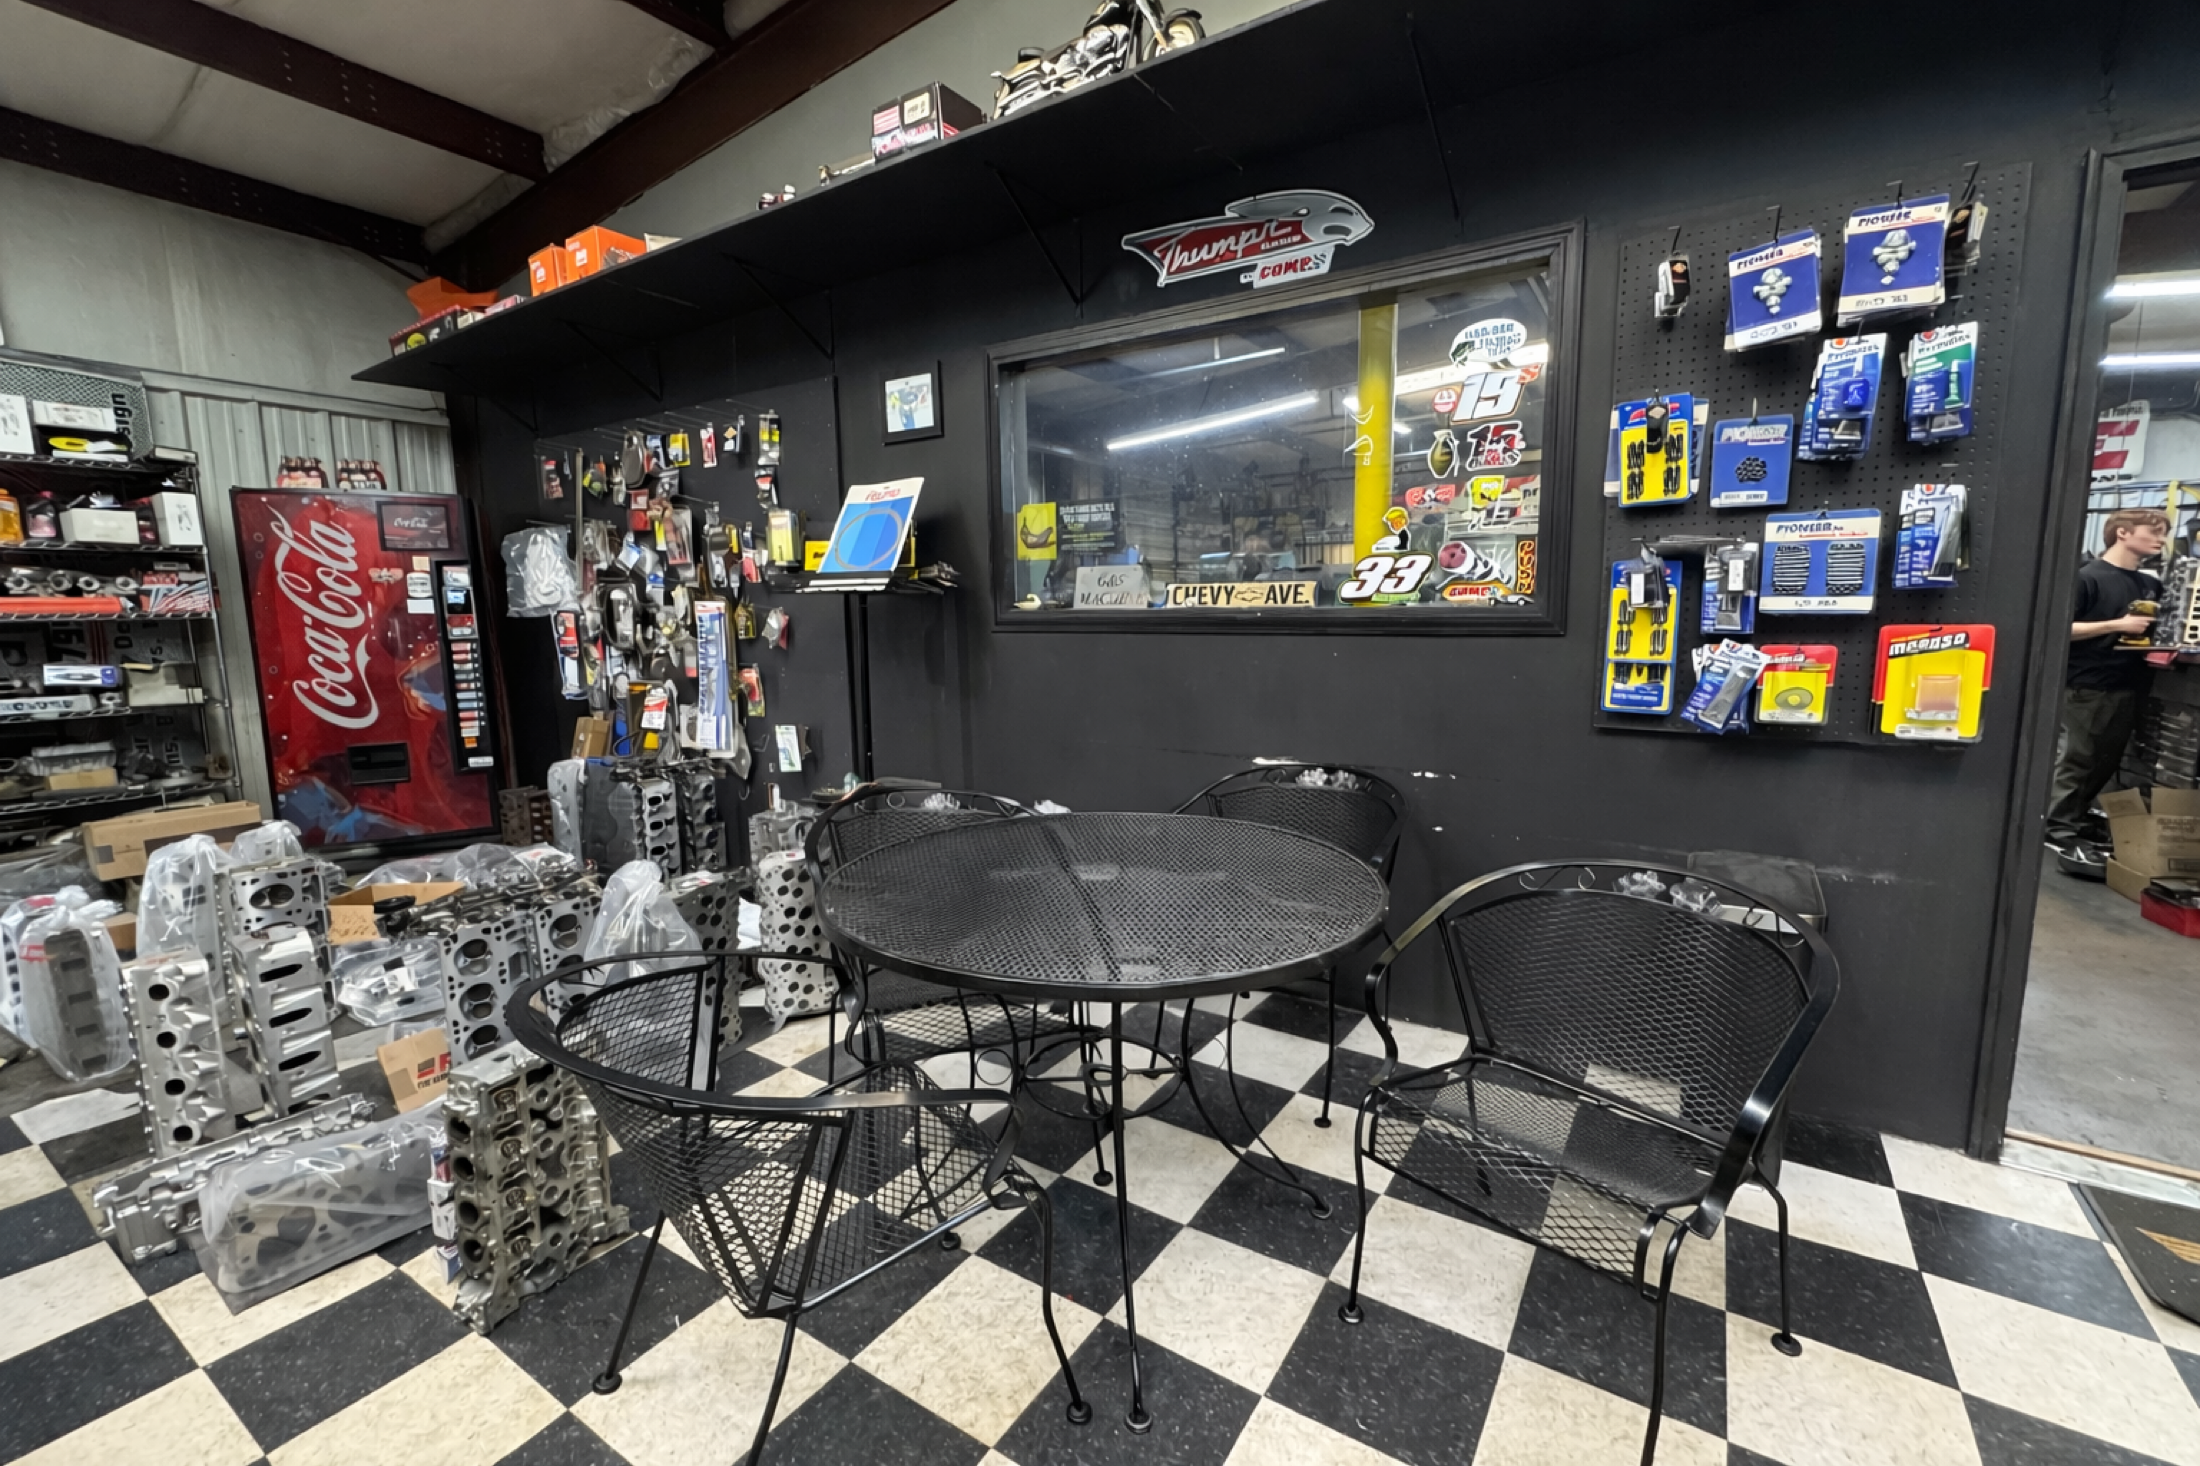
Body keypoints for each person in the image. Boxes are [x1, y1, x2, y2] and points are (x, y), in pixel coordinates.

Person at [2045, 507, 2167, 875]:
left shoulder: (2150, 585)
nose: (2161, 539)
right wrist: (2117, 624)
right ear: (2123, 533)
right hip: (2085, 684)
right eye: (2153, 531)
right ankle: (2055, 829)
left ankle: (2074, 820)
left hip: (2126, 684)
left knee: (2105, 762)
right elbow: (2058, 629)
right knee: (2076, 759)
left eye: (2163, 533)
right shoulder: (2087, 578)